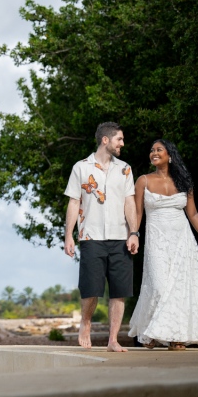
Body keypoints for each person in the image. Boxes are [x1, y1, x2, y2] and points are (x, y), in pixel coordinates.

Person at [127, 139, 198, 350]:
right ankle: (152, 330)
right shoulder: (143, 181)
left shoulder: (184, 182)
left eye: (159, 149)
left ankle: (175, 337)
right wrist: (133, 234)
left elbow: (193, 214)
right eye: (152, 149)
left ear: (169, 155)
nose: (154, 152)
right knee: (160, 287)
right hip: (157, 241)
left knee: (180, 288)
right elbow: (137, 213)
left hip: (183, 241)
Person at [64, 122, 138, 352]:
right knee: (91, 288)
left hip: (120, 237)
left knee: (119, 291)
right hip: (91, 236)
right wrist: (69, 235)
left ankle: (113, 340)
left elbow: (129, 203)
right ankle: (85, 321)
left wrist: (134, 232)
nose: (122, 144)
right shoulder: (81, 168)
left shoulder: (125, 168)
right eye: (119, 139)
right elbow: (74, 202)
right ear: (106, 140)